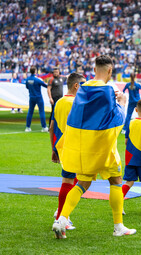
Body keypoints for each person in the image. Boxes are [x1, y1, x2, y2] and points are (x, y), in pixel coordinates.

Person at [52, 55, 136, 239]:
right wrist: (122, 102)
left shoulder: (83, 89)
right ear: (110, 71)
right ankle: (118, 227)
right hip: (103, 146)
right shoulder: (109, 89)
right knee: (116, 181)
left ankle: (62, 219)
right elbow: (117, 119)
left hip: (84, 146)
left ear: (94, 68)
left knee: (82, 183)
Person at [49, 73, 85, 230]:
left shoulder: (58, 103)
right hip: (74, 146)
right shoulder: (77, 103)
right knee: (69, 181)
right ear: (76, 86)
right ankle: (61, 217)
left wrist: (54, 148)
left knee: (76, 179)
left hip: (62, 146)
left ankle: (61, 211)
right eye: (82, 84)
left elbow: (51, 128)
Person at [25, 67, 49, 132]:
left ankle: (27, 127)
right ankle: (44, 127)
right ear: (35, 71)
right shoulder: (37, 80)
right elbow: (46, 86)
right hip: (38, 97)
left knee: (30, 112)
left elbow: (27, 87)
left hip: (31, 97)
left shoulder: (27, 79)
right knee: (41, 111)